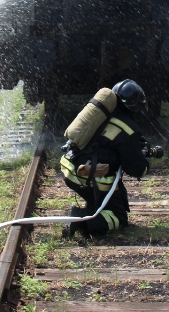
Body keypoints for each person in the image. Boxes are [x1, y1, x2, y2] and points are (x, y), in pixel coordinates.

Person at [59, 79, 158, 238]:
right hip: (85, 175)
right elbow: (136, 169)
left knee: (109, 200)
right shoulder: (128, 128)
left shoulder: (102, 116)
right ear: (134, 107)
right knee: (117, 218)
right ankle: (79, 220)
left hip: (70, 167)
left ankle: (90, 209)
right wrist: (145, 160)